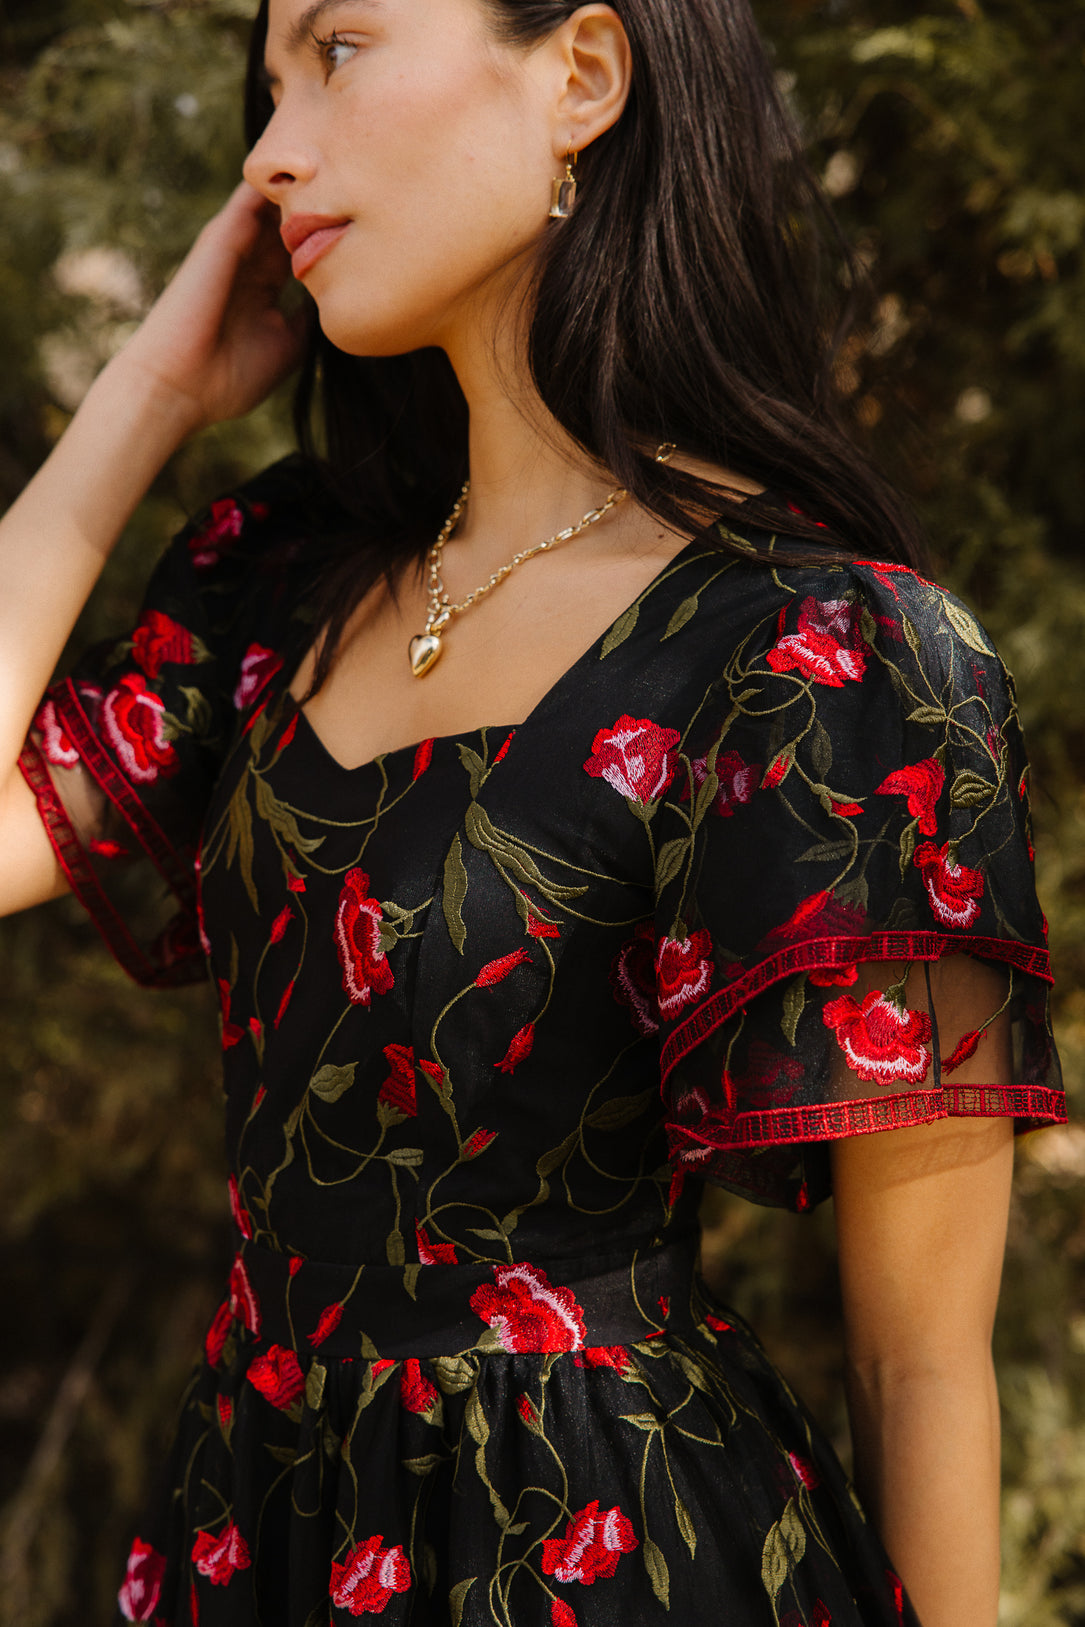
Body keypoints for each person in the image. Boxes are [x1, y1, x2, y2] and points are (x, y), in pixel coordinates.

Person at [0, 0, 1065, 1623]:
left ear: (578, 75)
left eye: (337, 51)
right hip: (254, 1536)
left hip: (604, 1555)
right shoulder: (286, 581)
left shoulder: (821, 653)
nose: (271, 153)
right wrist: (145, 392)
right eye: (266, 83)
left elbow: (913, 1360)